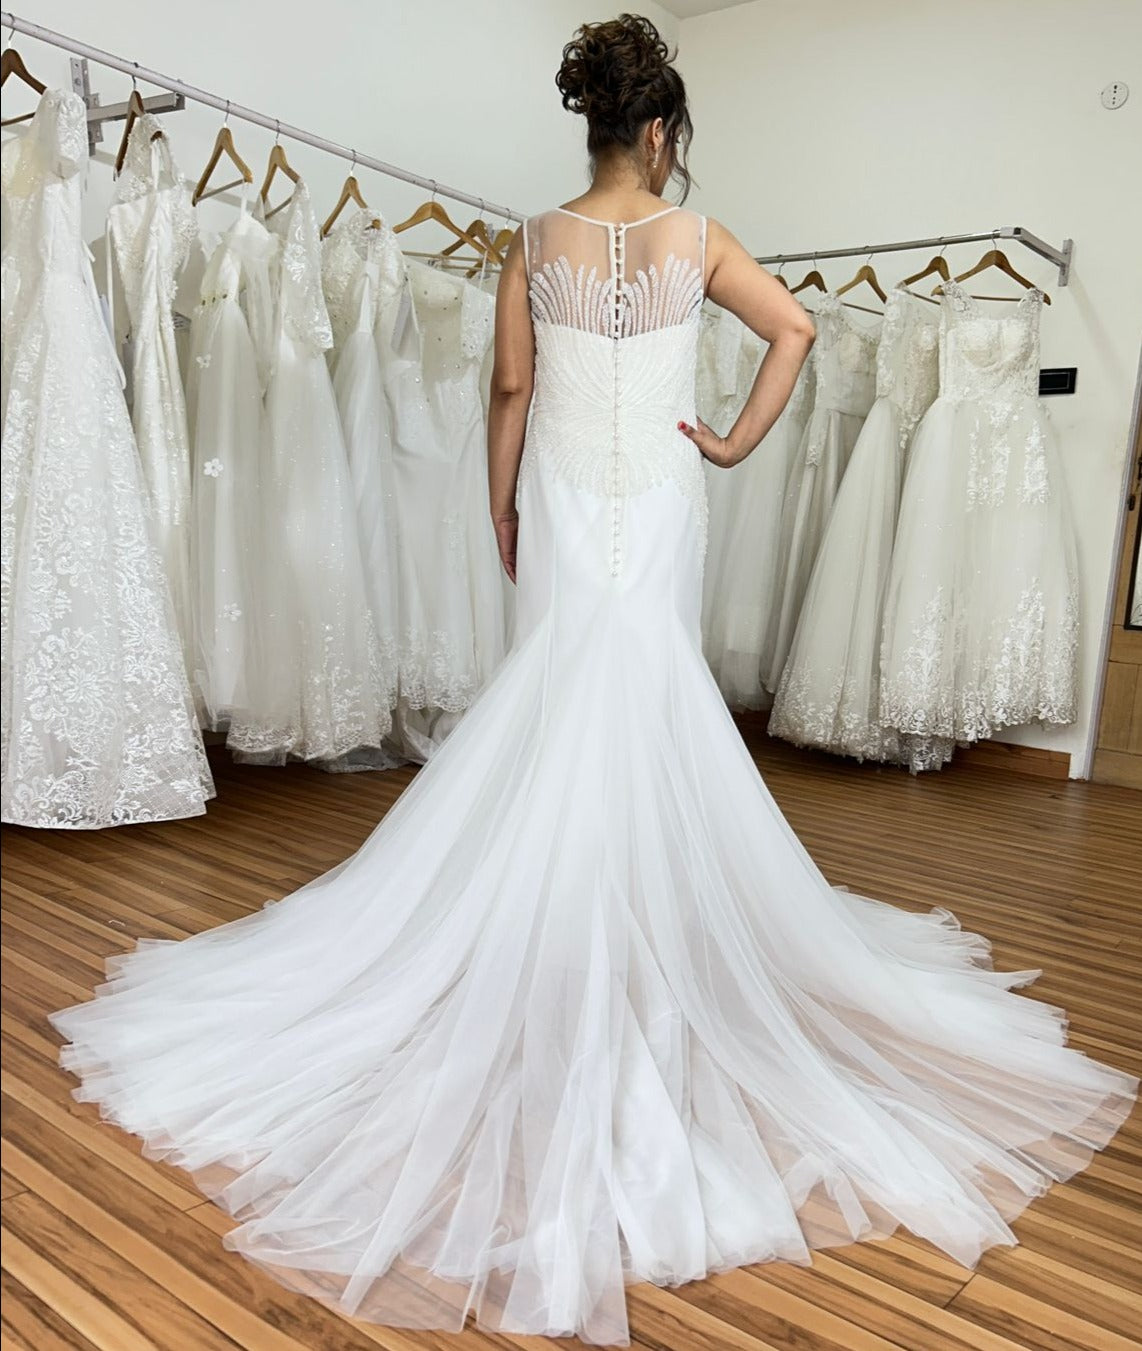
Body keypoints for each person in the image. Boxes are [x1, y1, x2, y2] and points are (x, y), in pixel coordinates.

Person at [49, 13, 1137, 1348]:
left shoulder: (531, 242)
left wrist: (502, 512)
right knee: (645, 685)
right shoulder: (699, 239)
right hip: (661, 487)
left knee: (567, 688)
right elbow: (792, 330)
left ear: (595, 127)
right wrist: (731, 444)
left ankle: (560, 910)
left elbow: (510, 390)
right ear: (663, 132)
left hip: (568, 491)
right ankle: (645, 914)